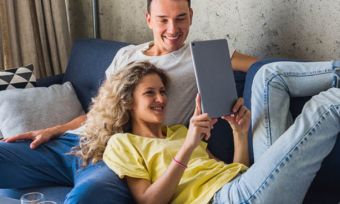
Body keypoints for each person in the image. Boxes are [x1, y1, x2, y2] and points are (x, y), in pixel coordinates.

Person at [0, 0, 257, 203]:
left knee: (88, 197)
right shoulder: (126, 54)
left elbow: (261, 66)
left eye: (180, 18)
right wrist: (52, 130)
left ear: (191, 15)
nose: (172, 29)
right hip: (75, 141)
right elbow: (100, 111)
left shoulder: (200, 56)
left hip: (111, 157)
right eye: (163, 20)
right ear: (148, 20)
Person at [96, 61, 340, 204]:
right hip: (222, 200)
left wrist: (239, 132)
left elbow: (234, 171)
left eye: (162, 91)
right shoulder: (122, 143)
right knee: (327, 107)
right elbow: (148, 201)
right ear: (128, 101)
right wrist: (189, 146)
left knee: (269, 76)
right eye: (150, 93)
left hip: (244, 185)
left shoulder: (179, 131)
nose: (161, 98)